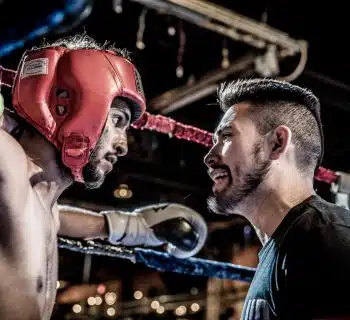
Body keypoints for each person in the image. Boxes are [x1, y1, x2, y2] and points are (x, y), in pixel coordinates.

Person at [0, 34, 207, 320]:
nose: (123, 145)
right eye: (118, 121)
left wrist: (133, 227)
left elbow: (61, 219)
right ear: (69, 104)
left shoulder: (41, 204)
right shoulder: (8, 164)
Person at [204, 78, 350, 319]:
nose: (209, 156)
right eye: (214, 142)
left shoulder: (326, 239)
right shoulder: (288, 247)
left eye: (227, 136)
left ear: (277, 143)